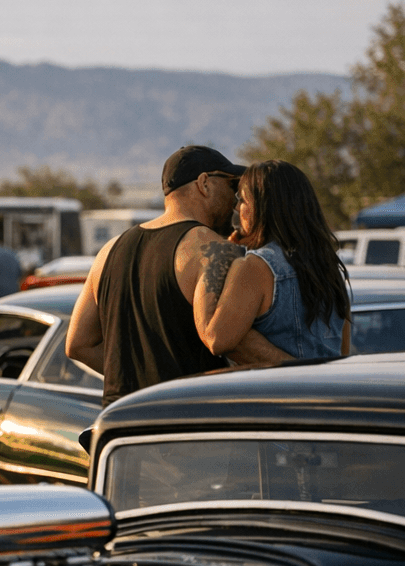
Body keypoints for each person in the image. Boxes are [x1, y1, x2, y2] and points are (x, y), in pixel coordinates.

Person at [67, 145, 288, 406]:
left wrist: (137, 380)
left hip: (121, 420)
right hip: (185, 422)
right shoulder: (214, 249)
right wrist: (300, 369)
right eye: (232, 186)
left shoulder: (108, 250)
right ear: (204, 183)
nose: (235, 201)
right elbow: (233, 341)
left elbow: (77, 344)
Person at [194, 160, 350, 360]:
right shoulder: (329, 267)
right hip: (328, 388)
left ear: (262, 208)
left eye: (242, 200)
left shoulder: (255, 267)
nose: (237, 209)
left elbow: (216, 339)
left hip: (274, 390)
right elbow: (343, 349)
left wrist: (215, 260)